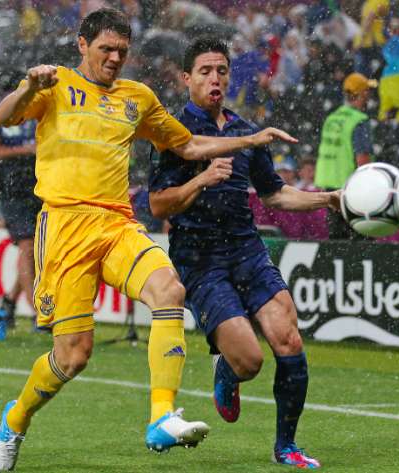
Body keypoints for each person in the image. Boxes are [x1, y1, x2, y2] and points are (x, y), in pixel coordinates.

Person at [0, 8, 298, 471]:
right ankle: (15, 418)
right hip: (66, 227)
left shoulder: (138, 98)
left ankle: (160, 417)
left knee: (169, 288)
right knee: (72, 357)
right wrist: (29, 85)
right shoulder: (54, 86)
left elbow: (189, 145)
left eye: (121, 51)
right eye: (104, 49)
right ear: (81, 44)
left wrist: (249, 141)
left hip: (116, 224)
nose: (114, 58)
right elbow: (3, 116)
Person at [149, 37, 341, 469]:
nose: (214, 79)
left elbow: (274, 195)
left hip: (246, 249)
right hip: (199, 259)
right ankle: (228, 370)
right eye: (204, 71)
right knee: (250, 361)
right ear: (186, 78)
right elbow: (158, 205)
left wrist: (326, 198)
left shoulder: (244, 131)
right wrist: (200, 181)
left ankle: (286, 447)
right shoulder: (170, 132)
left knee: (289, 339)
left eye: (221, 70)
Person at [0, 78, 41, 336]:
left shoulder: (37, 110)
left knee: (38, 252)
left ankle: (7, 303)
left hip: (40, 187)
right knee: (28, 247)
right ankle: (39, 314)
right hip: (11, 189)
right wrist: (27, 150)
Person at [315, 72, 375, 240]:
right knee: (362, 242)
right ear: (361, 93)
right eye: (367, 91)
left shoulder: (332, 118)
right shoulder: (359, 120)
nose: (369, 95)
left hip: (330, 188)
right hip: (352, 189)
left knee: (337, 241)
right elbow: (362, 159)